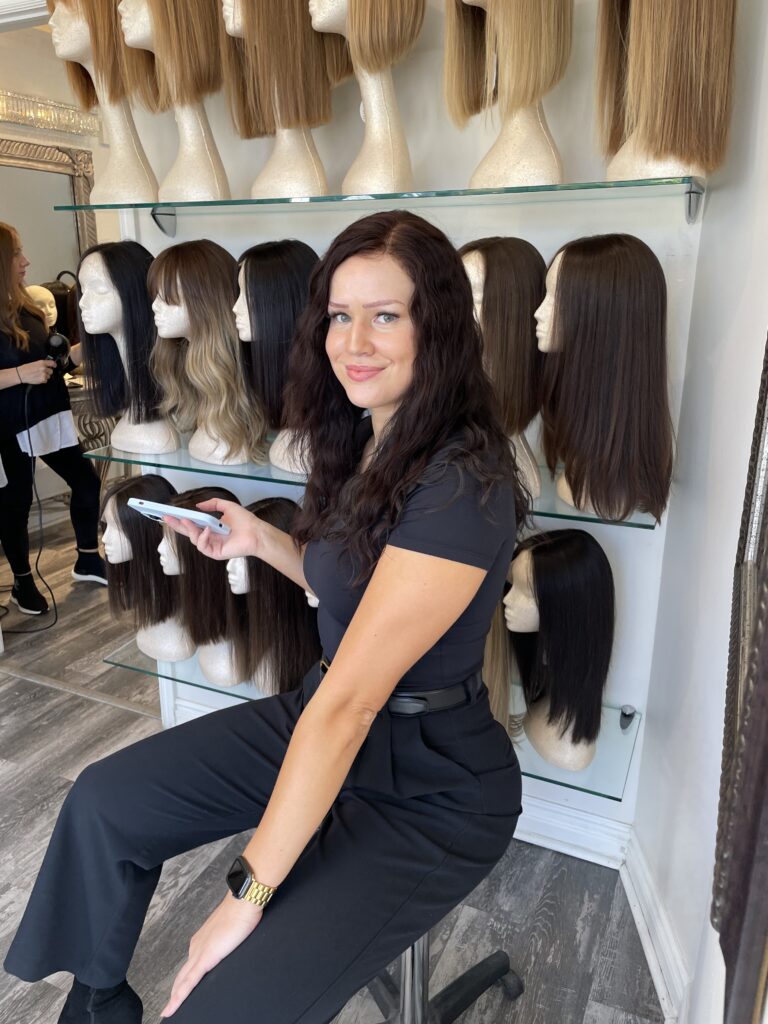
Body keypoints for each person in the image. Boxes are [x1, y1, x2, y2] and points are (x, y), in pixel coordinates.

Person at [4, 210, 527, 1024]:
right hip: (329, 717)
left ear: (441, 328)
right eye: (339, 317)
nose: (353, 341)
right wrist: (255, 539)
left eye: (386, 315)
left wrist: (245, 894)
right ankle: (99, 1002)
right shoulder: (362, 441)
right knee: (106, 802)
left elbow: (353, 703)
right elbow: (350, 592)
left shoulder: (464, 484)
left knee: (223, 1002)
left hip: (433, 786)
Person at [0, 222, 105, 615]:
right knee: (16, 501)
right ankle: (22, 583)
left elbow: (53, 365)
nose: (25, 262)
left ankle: (88, 557)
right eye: (16, 255)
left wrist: (85, 348)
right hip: (10, 422)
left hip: (49, 413)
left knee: (86, 481)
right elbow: (25, 371)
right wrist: (19, 376)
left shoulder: (27, 310)